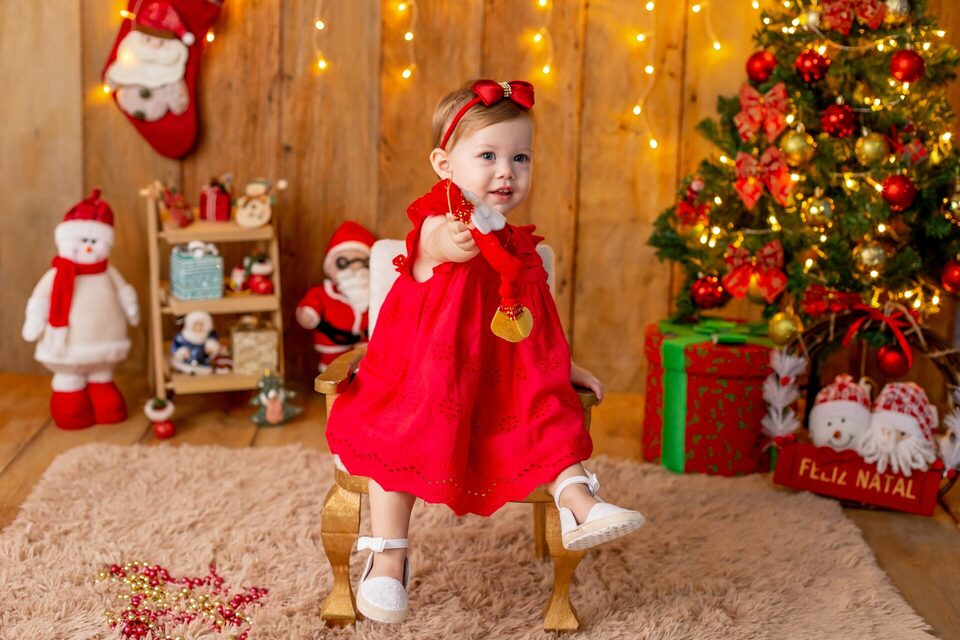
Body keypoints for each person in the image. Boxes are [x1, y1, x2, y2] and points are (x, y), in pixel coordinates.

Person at [324, 79, 646, 624]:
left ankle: (579, 504)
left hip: (502, 380)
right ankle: (389, 555)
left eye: (520, 157)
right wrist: (459, 237)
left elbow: (536, 322)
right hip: (425, 378)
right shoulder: (438, 224)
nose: (507, 172)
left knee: (548, 410)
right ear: (444, 165)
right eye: (489, 156)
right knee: (396, 437)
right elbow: (441, 247)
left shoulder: (521, 248)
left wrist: (564, 364)